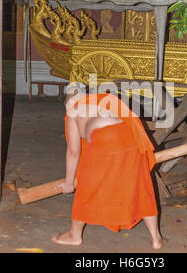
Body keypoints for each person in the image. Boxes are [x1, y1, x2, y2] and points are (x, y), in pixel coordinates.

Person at [51, 83, 166, 249]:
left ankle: (74, 235)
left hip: (105, 139)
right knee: (141, 188)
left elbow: (74, 152)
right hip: (131, 139)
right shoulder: (102, 100)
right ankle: (156, 238)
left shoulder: (73, 112)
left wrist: (69, 183)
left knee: (87, 187)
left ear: (70, 101)